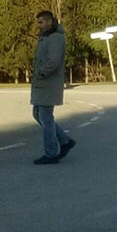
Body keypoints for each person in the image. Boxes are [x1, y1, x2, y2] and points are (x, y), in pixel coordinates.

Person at [30, 10, 75, 165]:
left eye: (41, 22)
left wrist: (41, 73)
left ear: (49, 22)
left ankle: (51, 154)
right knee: (38, 114)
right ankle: (64, 141)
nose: (39, 25)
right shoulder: (46, 37)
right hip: (43, 83)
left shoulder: (55, 38)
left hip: (49, 83)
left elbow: (53, 61)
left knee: (45, 117)